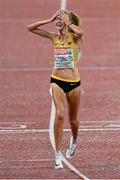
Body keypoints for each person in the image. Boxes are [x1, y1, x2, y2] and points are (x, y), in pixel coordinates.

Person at [27, 10, 83, 169]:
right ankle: (57, 153)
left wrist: (68, 22)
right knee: (59, 114)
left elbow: (80, 31)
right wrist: (48, 19)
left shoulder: (75, 37)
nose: (58, 21)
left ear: (67, 21)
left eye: (61, 18)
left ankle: (74, 140)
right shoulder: (54, 37)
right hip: (56, 80)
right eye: (57, 19)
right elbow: (30, 28)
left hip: (74, 83)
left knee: (74, 121)